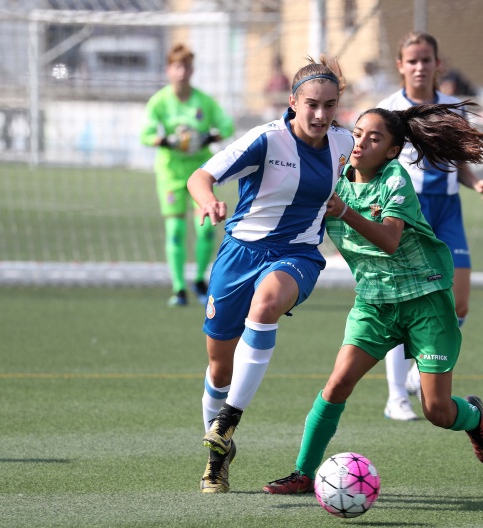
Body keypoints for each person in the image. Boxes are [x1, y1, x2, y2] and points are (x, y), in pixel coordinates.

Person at [262, 102, 483, 495]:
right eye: (357, 134)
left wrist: (346, 213)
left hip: (425, 300)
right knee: (337, 384)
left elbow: (390, 240)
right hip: (374, 303)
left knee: (437, 411)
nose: (361, 143)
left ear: (391, 150)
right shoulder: (333, 177)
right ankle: (304, 473)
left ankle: (473, 417)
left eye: (374, 138)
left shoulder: (395, 178)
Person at [187, 57, 355, 494]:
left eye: (330, 105)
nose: (320, 115)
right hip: (239, 254)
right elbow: (200, 176)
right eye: (312, 105)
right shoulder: (265, 140)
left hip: (298, 253)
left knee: (266, 305)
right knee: (219, 365)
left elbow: (360, 179)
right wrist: (207, 201)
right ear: (292, 102)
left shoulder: (344, 143)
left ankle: (228, 420)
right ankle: (217, 457)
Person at [375, 32, 483, 422]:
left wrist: (475, 182)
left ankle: (415, 372)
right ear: (400, 65)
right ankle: (397, 397)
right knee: (403, 302)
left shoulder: (450, 109)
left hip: (447, 210)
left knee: (458, 301)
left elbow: (458, 162)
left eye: (426, 59)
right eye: (412, 60)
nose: (420, 66)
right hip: (409, 211)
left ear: (437, 63)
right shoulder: (389, 111)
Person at [140, 43, 234, 307]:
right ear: (168, 70)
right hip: (170, 172)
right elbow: (145, 133)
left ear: (192, 70)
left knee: (205, 229)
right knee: (175, 230)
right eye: (176, 67)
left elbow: (227, 125)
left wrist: (208, 136)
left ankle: (200, 279)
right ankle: (179, 288)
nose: (181, 72)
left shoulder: (203, 101)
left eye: (186, 67)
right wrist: (166, 141)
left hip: (199, 172)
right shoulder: (160, 101)